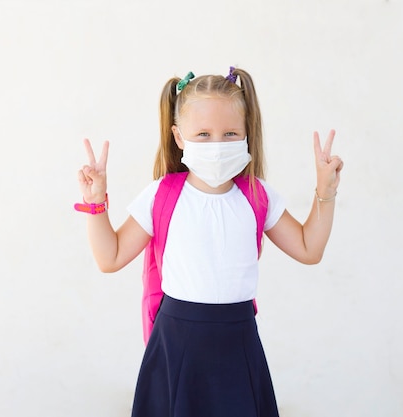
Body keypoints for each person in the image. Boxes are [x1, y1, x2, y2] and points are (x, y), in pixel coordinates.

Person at [75, 67, 343, 417]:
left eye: (230, 133)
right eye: (203, 134)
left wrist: (325, 191)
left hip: (238, 342)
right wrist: (95, 202)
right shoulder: (160, 196)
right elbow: (109, 257)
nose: (217, 145)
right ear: (178, 136)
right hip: (176, 343)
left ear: (248, 133)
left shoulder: (258, 197)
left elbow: (309, 249)